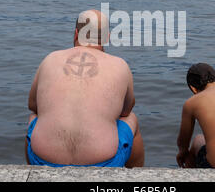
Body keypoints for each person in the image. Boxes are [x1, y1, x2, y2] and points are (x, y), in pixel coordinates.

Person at [26, 9, 144, 167]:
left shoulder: (50, 58)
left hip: (42, 160)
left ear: (76, 34)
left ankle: (33, 173)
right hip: (105, 162)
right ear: (106, 38)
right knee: (131, 119)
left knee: (34, 117)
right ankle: (136, 177)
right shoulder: (120, 65)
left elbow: (32, 106)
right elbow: (126, 111)